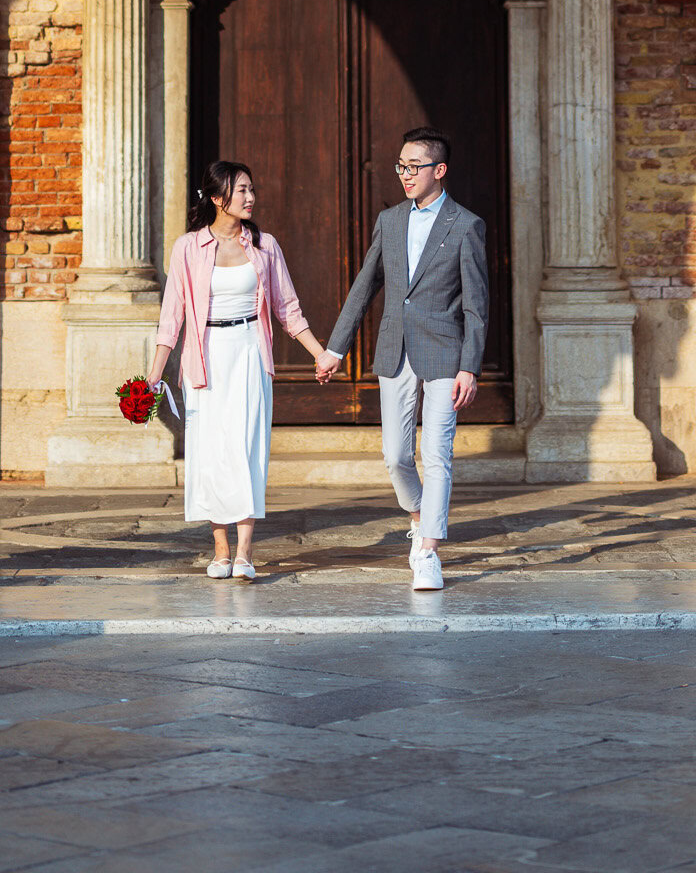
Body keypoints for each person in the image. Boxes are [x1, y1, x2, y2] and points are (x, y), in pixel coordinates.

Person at [315, 127, 488, 592]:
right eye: (401, 166)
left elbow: (476, 304)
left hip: (446, 353)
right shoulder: (389, 220)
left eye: (414, 167)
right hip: (395, 350)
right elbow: (365, 285)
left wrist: (470, 365)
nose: (405, 175)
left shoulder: (466, 225)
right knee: (395, 456)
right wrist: (335, 347)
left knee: (436, 454)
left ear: (440, 170)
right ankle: (418, 515)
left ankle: (429, 550)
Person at [149, 160, 330, 579]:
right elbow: (171, 316)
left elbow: (288, 309)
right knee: (210, 453)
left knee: (247, 448)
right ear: (217, 198)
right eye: (241, 190)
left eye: (251, 189)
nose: (250, 197)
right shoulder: (188, 248)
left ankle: (246, 551)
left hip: (250, 352)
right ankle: (220, 550)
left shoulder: (265, 246)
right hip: (205, 357)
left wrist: (319, 354)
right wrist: (153, 374)